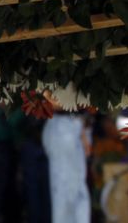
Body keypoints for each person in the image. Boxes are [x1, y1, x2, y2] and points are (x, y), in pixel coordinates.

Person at [41, 95, 91, 223]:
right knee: (63, 190)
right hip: (61, 127)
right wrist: (81, 102)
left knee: (78, 188)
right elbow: (47, 100)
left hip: (75, 124)